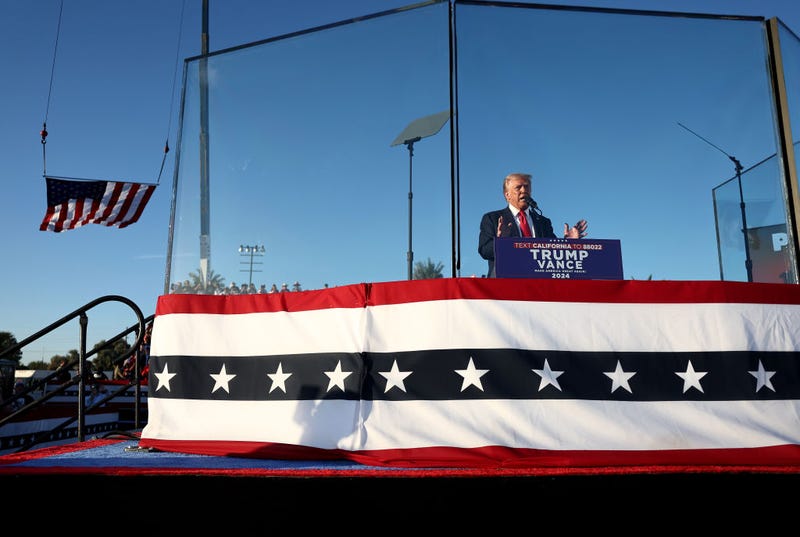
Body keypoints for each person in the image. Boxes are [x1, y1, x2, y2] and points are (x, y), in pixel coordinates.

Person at [478, 172, 588, 278]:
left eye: (527, 187)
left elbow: (553, 253)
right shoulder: (492, 218)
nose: (524, 190)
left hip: (538, 286)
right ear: (507, 195)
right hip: (506, 285)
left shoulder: (543, 222)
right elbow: (484, 251)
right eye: (518, 188)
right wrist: (501, 243)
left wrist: (567, 243)